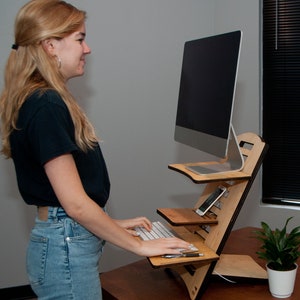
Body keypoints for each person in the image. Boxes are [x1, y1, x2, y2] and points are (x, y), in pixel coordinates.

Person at [0, 1, 191, 299]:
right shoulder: (46, 104)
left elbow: (65, 204)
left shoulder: (39, 99)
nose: (86, 49)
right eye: (79, 39)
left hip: (61, 238)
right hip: (65, 246)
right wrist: (141, 246)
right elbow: (74, 204)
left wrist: (111, 224)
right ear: (50, 45)